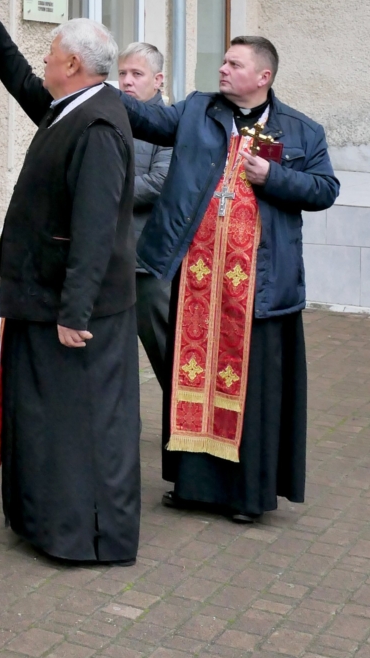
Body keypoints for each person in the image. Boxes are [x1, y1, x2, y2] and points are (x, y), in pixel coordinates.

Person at [120, 37, 339, 523]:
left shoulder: (301, 130)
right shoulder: (197, 111)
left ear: (263, 77)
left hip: (259, 288)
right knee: (190, 379)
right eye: (223, 61)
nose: (221, 69)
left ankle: (246, 497)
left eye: (234, 63)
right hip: (199, 282)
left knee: (252, 392)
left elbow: (326, 189)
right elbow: (147, 119)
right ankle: (193, 488)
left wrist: (275, 178)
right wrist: (96, 83)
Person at [0, 0, 140, 564]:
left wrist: (76, 310)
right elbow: (25, 86)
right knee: (42, 417)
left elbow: (97, 231)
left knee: (79, 425)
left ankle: (83, 537)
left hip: (73, 310)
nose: (42, 62)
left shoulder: (95, 125)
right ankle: (41, 521)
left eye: (48, 54)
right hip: (42, 298)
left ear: (71, 63)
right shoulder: (74, 105)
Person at [118, 43, 172, 390]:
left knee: (165, 352)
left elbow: (159, 182)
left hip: (148, 260)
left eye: (136, 74)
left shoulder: (169, 124)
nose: (126, 81)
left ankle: (186, 426)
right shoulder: (113, 115)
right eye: (122, 73)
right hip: (110, 255)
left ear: (159, 80)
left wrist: (104, 191)